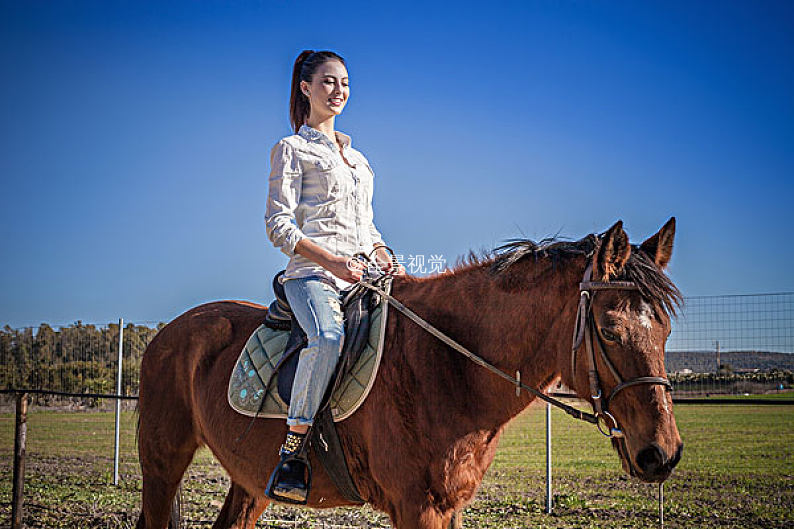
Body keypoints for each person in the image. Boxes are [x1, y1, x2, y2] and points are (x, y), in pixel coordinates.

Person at [263, 49, 404, 503]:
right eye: (328, 81)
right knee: (326, 338)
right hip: (311, 276)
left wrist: (384, 254)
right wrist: (333, 263)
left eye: (344, 82)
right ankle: (294, 449)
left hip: (363, 275)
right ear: (305, 88)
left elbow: (368, 226)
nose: (338, 90)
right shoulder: (291, 149)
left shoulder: (359, 160)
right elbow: (278, 225)